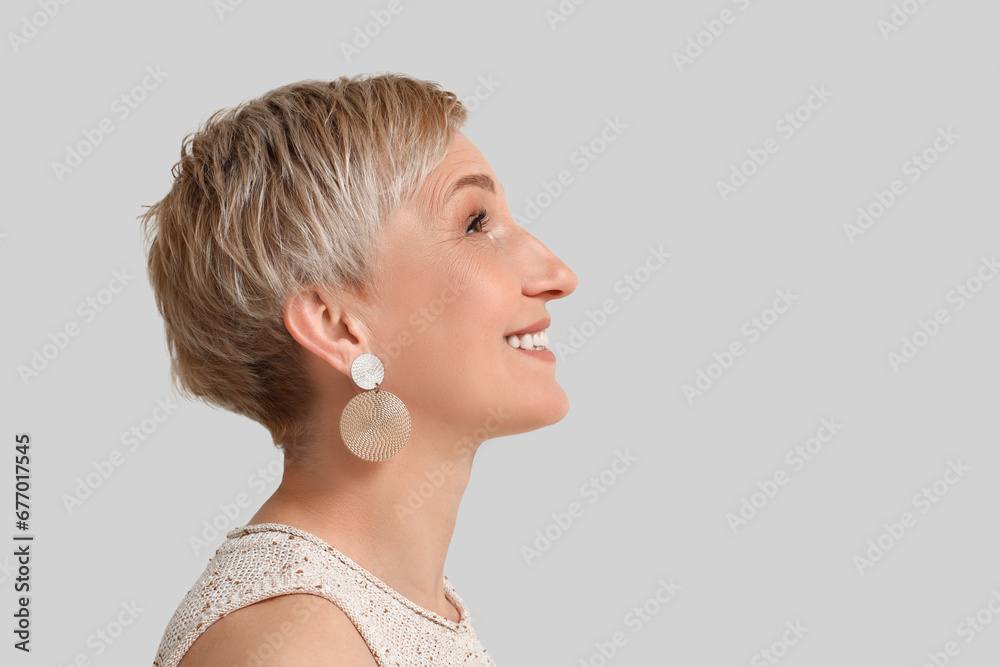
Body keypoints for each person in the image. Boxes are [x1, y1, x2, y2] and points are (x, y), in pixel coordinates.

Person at [141, 72, 578, 666]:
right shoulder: (294, 645)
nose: (559, 274)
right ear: (337, 326)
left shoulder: (381, 607)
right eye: (476, 224)